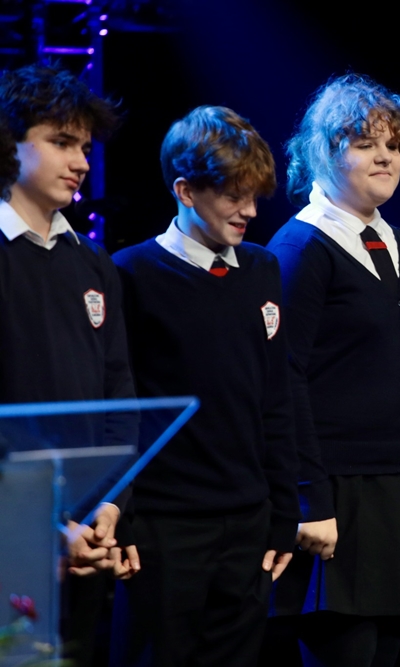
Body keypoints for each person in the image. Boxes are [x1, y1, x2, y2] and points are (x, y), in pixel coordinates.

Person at [266, 74, 400, 667]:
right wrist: (311, 501)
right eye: (364, 144)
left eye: (394, 144)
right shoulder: (301, 249)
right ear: (324, 154)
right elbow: (283, 382)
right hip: (337, 496)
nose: (385, 156)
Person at [111, 105, 299, 666]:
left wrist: (282, 513)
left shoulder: (262, 270)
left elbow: (275, 400)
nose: (250, 211)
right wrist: (123, 516)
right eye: (234, 196)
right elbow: (119, 407)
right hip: (163, 527)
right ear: (186, 191)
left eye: (255, 196)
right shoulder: (131, 273)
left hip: (247, 524)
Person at [0, 63, 135, 666]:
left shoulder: (94, 262)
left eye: (84, 146)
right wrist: (45, 524)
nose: (81, 161)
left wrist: (109, 505)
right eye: (61, 142)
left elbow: (119, 389)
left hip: (88, 536)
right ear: (10, 144)